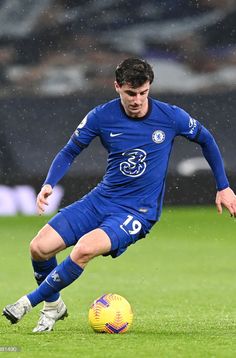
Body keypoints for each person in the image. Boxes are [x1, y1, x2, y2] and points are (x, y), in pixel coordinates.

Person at [3, 58, 236, 332]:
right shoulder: (101, 116)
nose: (137, 100)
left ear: (149, 88)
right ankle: (54, 306)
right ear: (117, 87)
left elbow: (206, 138)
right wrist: (49, 183)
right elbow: (70, 150)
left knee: (84, 249)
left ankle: (27, 303)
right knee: (39, 248)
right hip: (102, 199)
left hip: (137, 211)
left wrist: (223, 186)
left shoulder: (171, 116)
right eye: (130, 93)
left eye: (143, 93)